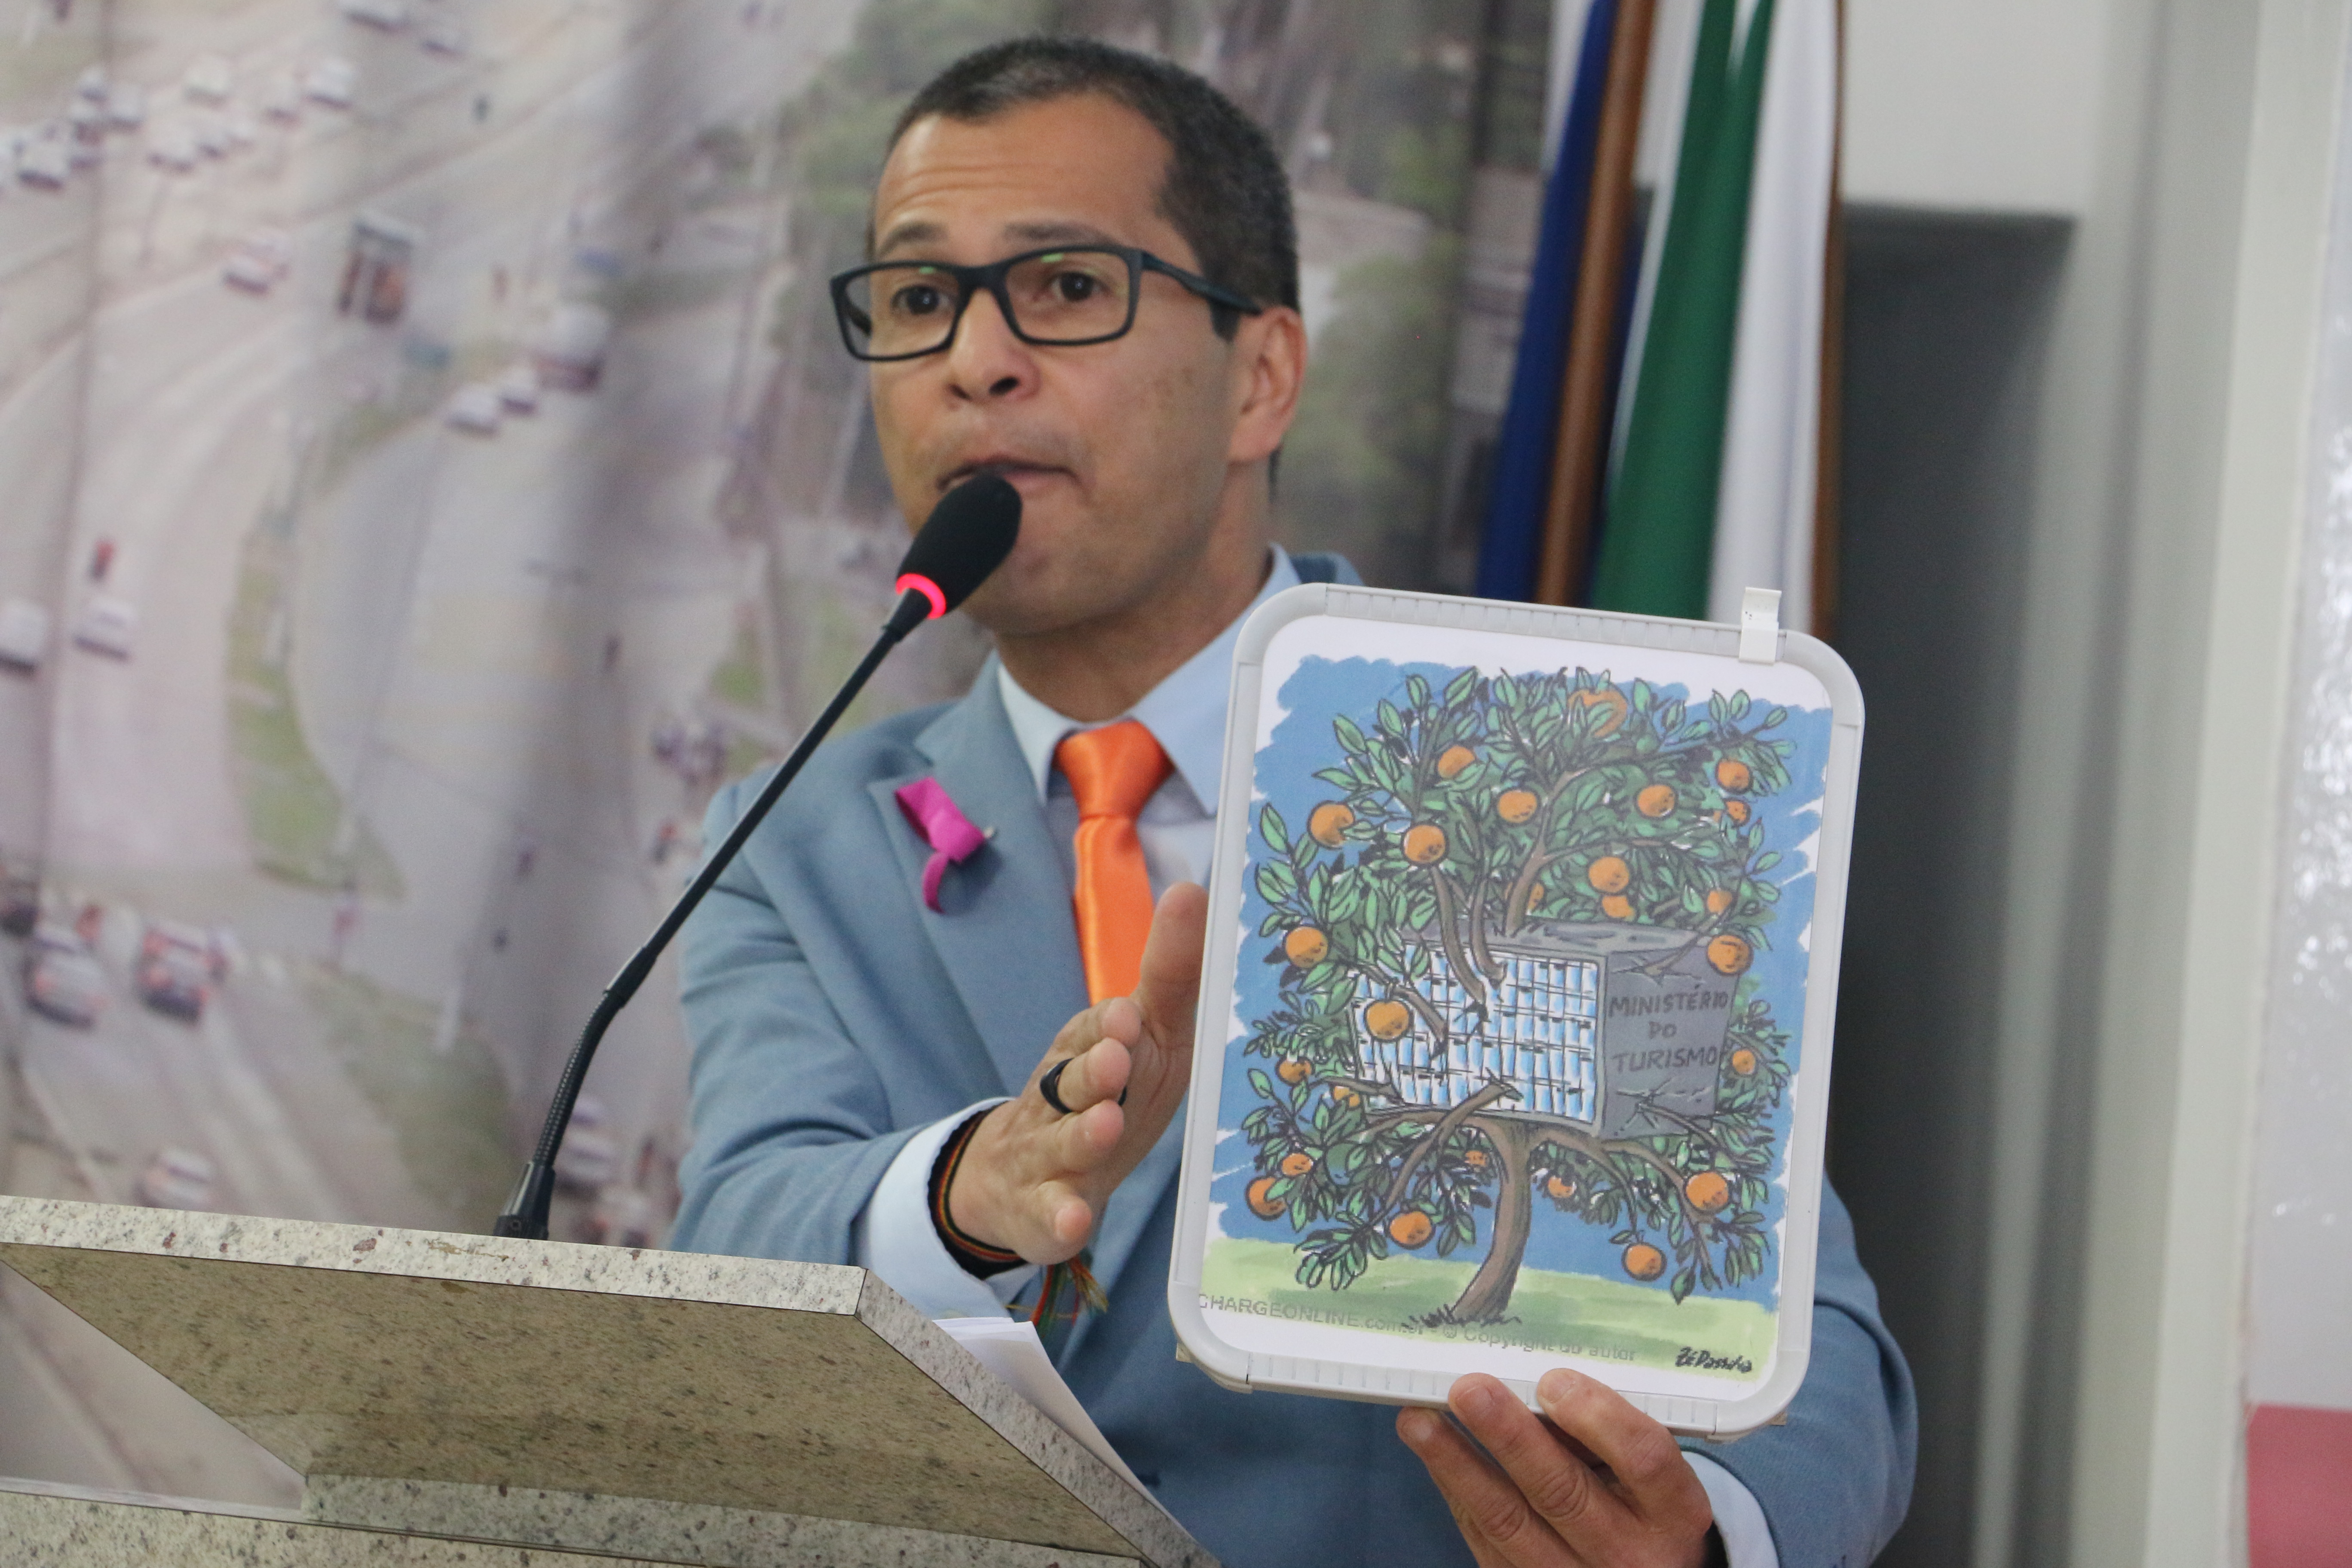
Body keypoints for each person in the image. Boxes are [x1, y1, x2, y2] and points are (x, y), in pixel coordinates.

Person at [671, 37, 1914, 1568]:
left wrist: (1701, 1538)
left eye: (1067, 286)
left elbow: (1796, 1346)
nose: (973, 360)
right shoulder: (790, 841)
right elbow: (735, 1238)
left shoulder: (1551, 777)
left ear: (1260, 378)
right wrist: (967, 1191)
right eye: (920, 298)